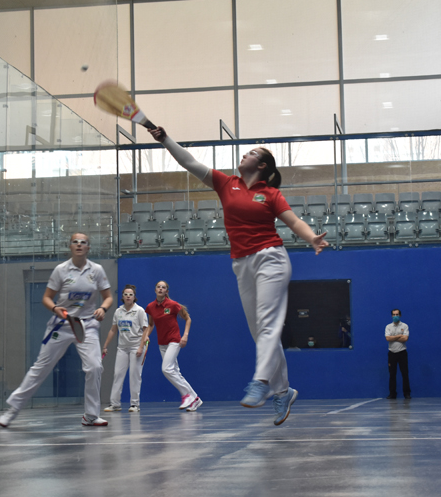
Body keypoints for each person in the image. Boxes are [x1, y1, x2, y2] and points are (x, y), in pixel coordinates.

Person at [149, 126, 329, 426]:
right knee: (260, 332)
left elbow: (293, 221)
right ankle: (283, 391)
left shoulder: (270, 194)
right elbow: (189, 162)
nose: (245, 153)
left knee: (268, 323)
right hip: (241, 264)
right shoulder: (226, 183)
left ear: (262, 165)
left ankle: (261, 381)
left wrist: (311, 237)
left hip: (271, 258)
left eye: (253, 153)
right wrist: (165, 139)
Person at [0, 232, 113, 428]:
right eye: (75, 242)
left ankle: (91, 416)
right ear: (70, 246)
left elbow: (108, 297)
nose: (79, 244)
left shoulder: (97, 270)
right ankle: (13, 410)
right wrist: (55, 309)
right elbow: (46, 298)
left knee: (94, 367)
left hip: (87, 325)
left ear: (88, 247)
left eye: (83, 242)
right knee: (41, 367)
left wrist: (103, 308)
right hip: (62, 325)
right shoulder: (61, 270)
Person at [145, 280, 202, 412]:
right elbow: (151, 324)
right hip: (162, 343)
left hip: (174, 340)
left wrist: (185, 335)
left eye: (163, 287)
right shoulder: (150, 307)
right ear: (155, 290)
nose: (160, 289)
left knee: (166, 369)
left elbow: (188, 318)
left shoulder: (173, 305)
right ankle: (195, 399)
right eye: (158, 287)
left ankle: (186, 395)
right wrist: (146, 335)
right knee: (175, 372)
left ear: (167, 291)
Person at [101, 284, 150, 412]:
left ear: (134, 297)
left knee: (134, 375)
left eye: (130, 295)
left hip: (136, 347)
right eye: (126, 294)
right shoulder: (118, 311)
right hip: (122, 348)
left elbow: (145, 330)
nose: (128, 296)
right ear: (122, 297)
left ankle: (135, 404)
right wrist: (105, 346)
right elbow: (113, 330)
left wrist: (141, 347)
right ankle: (115, 404)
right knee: (118, 374)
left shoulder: (139, 311)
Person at [385, 308, 411, 399]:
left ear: (400, 315)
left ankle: (407, 393)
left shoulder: (405, 326)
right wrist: (400, 335)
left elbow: (405, 338)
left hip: (402, 353)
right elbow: (387, 338)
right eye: (394, 315)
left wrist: (393, 337)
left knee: (405, 373)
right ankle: (392, 394)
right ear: (391, 316)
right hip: (392, 353)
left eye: (397, 314)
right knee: (392, 374)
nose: (395, 316)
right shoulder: (388, 327)